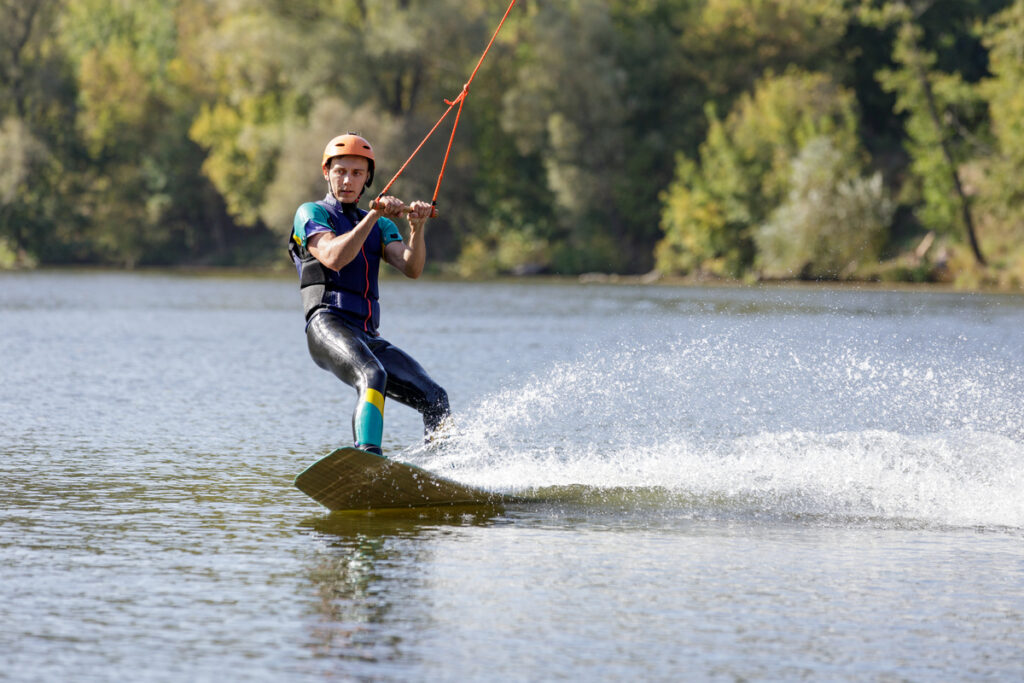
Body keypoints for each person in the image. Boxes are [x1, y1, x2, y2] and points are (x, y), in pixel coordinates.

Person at [288, 133, 450, 456]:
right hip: (326, 325)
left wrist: (417, 230)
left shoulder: (376, 224)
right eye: (340, 171)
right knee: (372, 374)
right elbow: (334, 256)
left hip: (366, 335)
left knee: (436, 397)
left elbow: (411, 267)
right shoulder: (310, 213)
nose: (347, 180)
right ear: (326, 172)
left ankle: (443, 465)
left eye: (357, 173)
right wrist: (375, 215)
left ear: (368, 179)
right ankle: (367, 457)